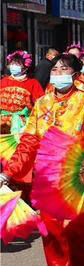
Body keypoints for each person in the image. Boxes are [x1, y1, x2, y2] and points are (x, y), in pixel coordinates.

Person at [0, 53, 84, 266]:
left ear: (75, 74)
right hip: (48, 175)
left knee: (77, 227)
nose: (59, 74)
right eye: (55, 70)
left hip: (81, 173)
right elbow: (29, 142)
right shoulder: (42, 104)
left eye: (64, 69)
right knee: (51, 229)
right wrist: (9, 172)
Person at [0, 51, 45, 202]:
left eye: (17, 64)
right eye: (12, 63)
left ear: (25, 67)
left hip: (22, 127)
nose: (13, 67)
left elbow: (41, 106)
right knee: (4, 160)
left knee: (22, 159)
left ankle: (24, 195)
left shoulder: (33, 84)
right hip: (3, 127)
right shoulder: (3, 82)